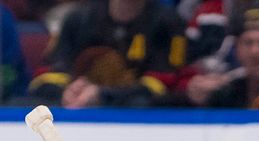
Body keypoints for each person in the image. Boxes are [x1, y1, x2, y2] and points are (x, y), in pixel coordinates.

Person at [27, 0, 187, 108]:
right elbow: (48, 75)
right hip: (76, 111)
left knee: (143, 102)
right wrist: (67, 91)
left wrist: (103, 95)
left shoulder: (167, 23)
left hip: (136, 119)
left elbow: (163, 86)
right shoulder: (79, 19)